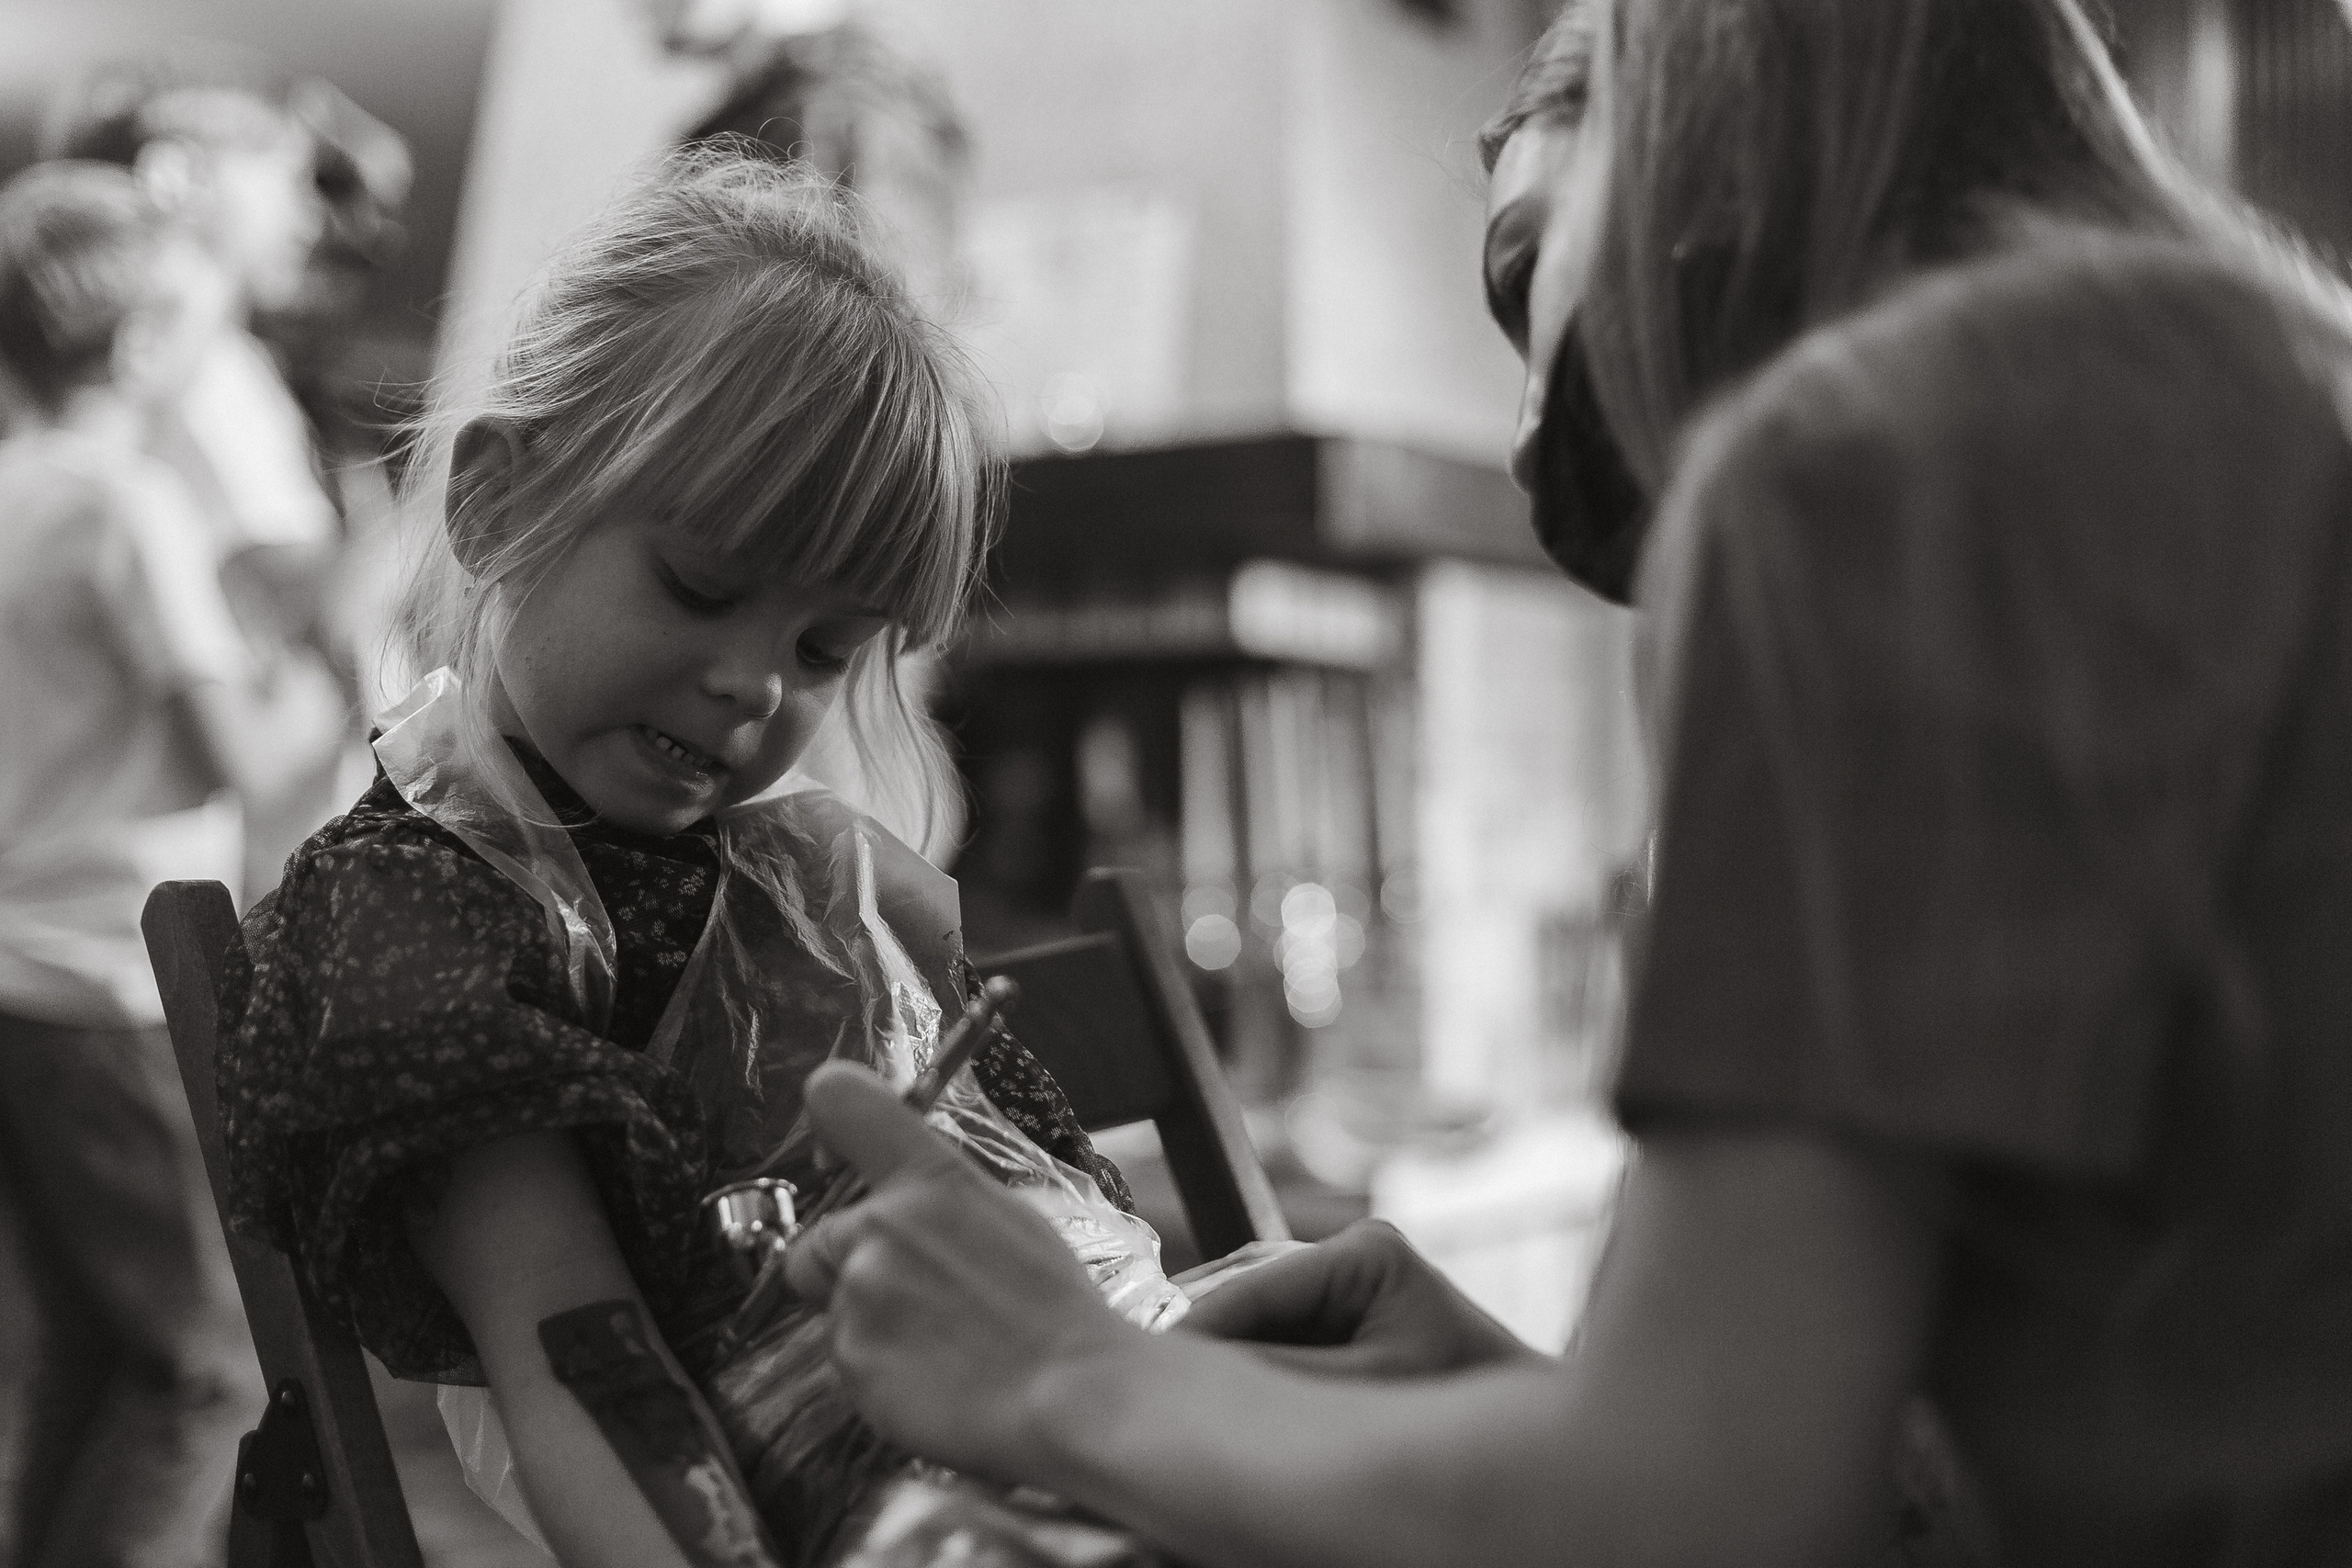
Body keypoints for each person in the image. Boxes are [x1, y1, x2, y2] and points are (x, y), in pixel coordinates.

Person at [767, 2, 2352, 1565]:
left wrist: (1062, 1372)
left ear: (1704, 116)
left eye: (1528, 274)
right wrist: (1502, 1396)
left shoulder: (1879, 457)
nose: (1531, 441)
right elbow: (1954, 1439)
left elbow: (1700, 1513)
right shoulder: (2267, 376)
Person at [216, 148, 1192, 1568]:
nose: (755, 686)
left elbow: (1043, 1211)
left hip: (1108, 1448)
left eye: (822, 650)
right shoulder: (414, 916)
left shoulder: (809, 876)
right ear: (498, 503)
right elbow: (582, 1366)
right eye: (703, 585)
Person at [0, 162, 340, 1568]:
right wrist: (340, 646)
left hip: (19, 973)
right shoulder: (125, 505)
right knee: (205, 1365)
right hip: (108, 979)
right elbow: (240, 757)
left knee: (91, 1354)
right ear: (142, 341)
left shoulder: (13, 486)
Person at [45, 62, 355, 897]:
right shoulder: (207, 374)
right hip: (142, 888)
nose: (310, 215)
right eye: (286, 176)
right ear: (181, 173)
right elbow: (305, 596)